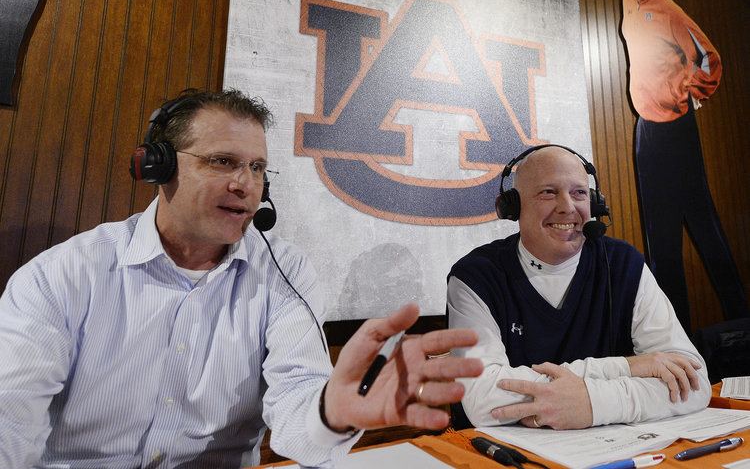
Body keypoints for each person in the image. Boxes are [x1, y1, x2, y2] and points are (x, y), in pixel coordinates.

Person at [0, 89, 483, 468]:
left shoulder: (284, 272)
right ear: (157, 166)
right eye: (221, 161)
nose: (245, 184)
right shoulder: (63, 273)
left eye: (256, 168)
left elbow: (297, 401)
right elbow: (10, 414)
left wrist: (330, 413)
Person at [447, 144, 711, 430]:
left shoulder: (623, 264)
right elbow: (483, 401)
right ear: (513, 207)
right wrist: (626, 367)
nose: (567, 207)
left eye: (579, 193)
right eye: (548, 192)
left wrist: (594, 404)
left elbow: (694, 384)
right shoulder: (475, 277)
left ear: (594, 203)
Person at [609, 0, 747, 333]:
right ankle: (678, 340)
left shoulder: (667, 11)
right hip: (645, 132)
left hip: (676, 133)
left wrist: (689, 92)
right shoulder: (627, 4)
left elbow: (709, 59)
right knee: (660, 240)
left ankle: (742, 320)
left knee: (704, 227)